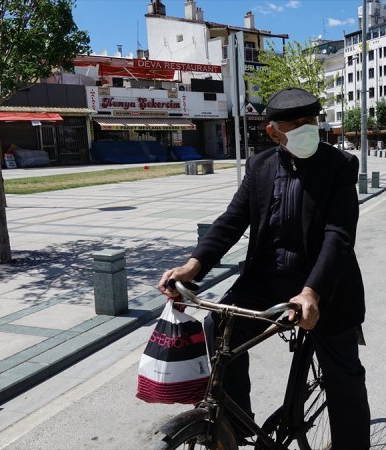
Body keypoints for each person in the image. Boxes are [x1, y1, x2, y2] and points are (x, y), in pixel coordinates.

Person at [158, 87, 370, 449]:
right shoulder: (260, 166)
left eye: (311, 121)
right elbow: (231, 221)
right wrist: (193, 266)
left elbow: (338, 235)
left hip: (325, 287)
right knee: (219, 325)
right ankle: (235, 427)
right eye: (295, 123)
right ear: (273, 131)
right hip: (267, 280)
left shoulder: (339, 165)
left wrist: (311, 291)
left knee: (343, 375)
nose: (307, 129)